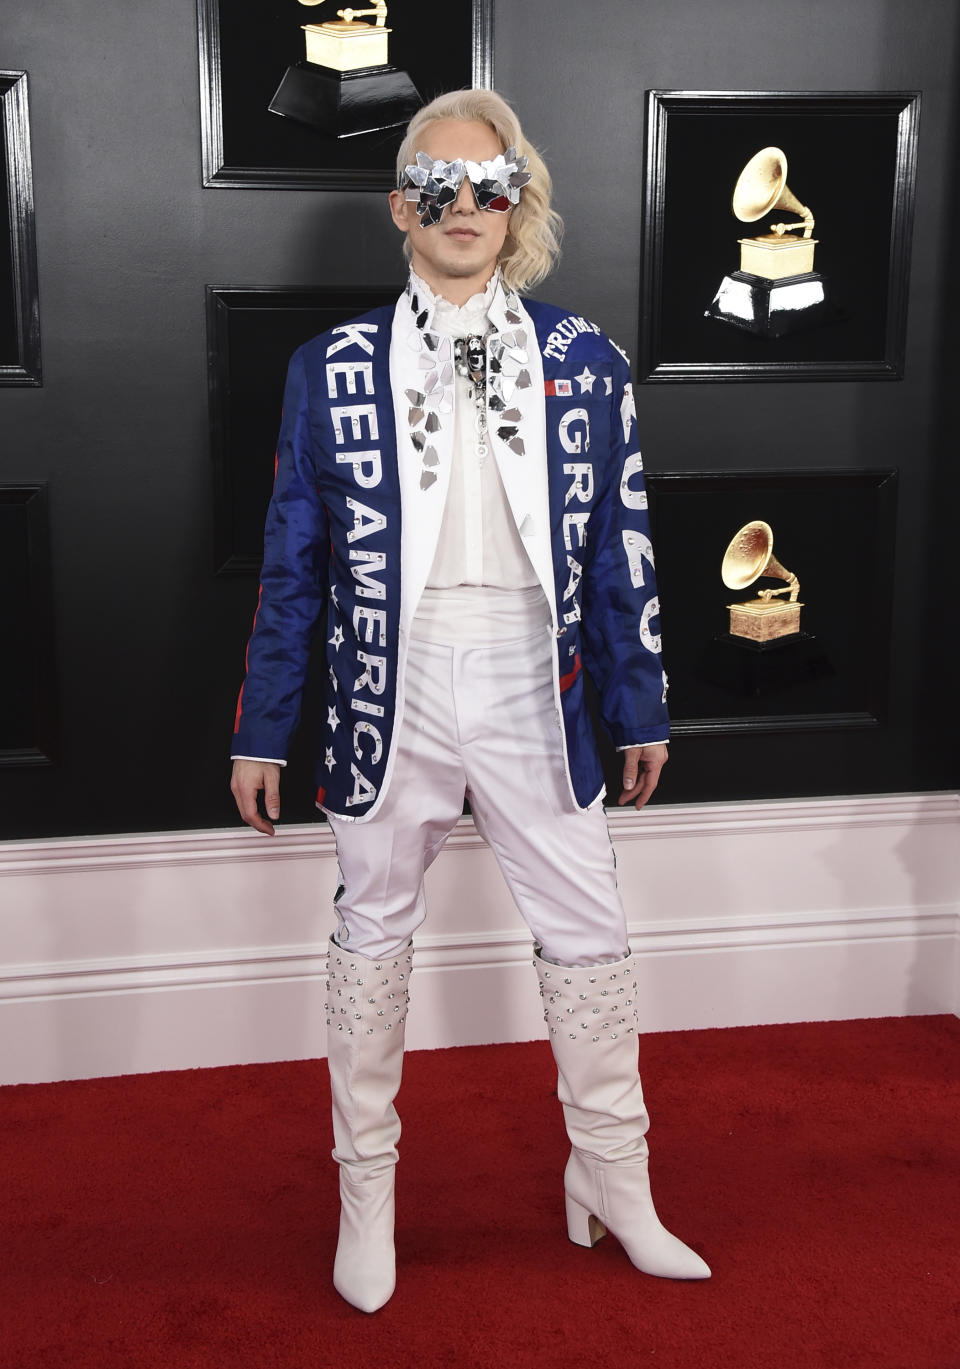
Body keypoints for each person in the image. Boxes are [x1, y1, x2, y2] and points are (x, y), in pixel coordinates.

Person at [230, 87, 710, 1313]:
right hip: (385, 677)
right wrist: (261, 726)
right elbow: (293, 561)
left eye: (488, 185)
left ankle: (614, 1181)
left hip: (533, 677)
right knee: (373, 933)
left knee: (590, 931)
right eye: (437, 185)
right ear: (401, 203)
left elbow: (623, 544)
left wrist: (639, 699)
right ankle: (367, 1198)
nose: (464, 207)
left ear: (517, 201)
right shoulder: (328, 366)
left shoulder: (586, 360)